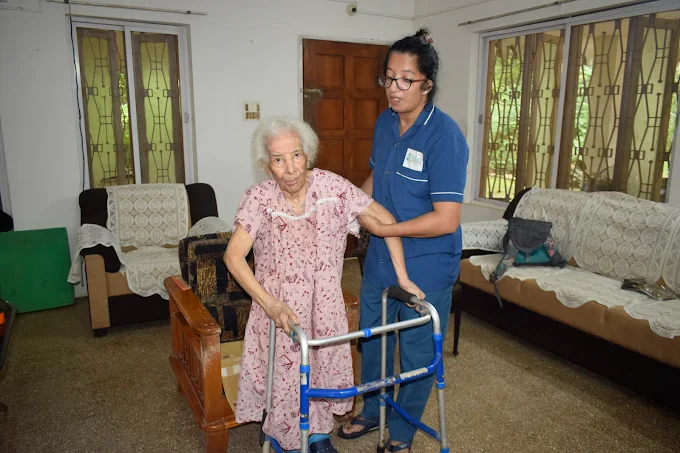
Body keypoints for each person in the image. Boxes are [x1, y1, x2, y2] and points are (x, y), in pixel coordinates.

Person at [224, 116, 424, 453]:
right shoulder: (258, 198)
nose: (290, 168)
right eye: (278, 159)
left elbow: (386, 221)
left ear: (308, 154)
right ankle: (284, 436)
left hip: (324, 306)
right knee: (285, 376)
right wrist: (270, 304)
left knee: (319, 371)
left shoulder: (332, 188)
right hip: (279, 310)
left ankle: (316, 434)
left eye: (296, 155)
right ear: (266, 165)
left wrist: (404, 279)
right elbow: (233, 257)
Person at [338, 28, 469, 453]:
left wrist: (386, 229)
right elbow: (377, 176)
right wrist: (350, 209)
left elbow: (446, 219)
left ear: (427, 84)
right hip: (381, 258)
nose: (394, 89)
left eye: (406, 80)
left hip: (426, 263)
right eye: (389, 78)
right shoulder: (385, 122)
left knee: (416, 353)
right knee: (374, 338)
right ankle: (373, 408)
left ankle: (402, 430)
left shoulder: (444, 136)